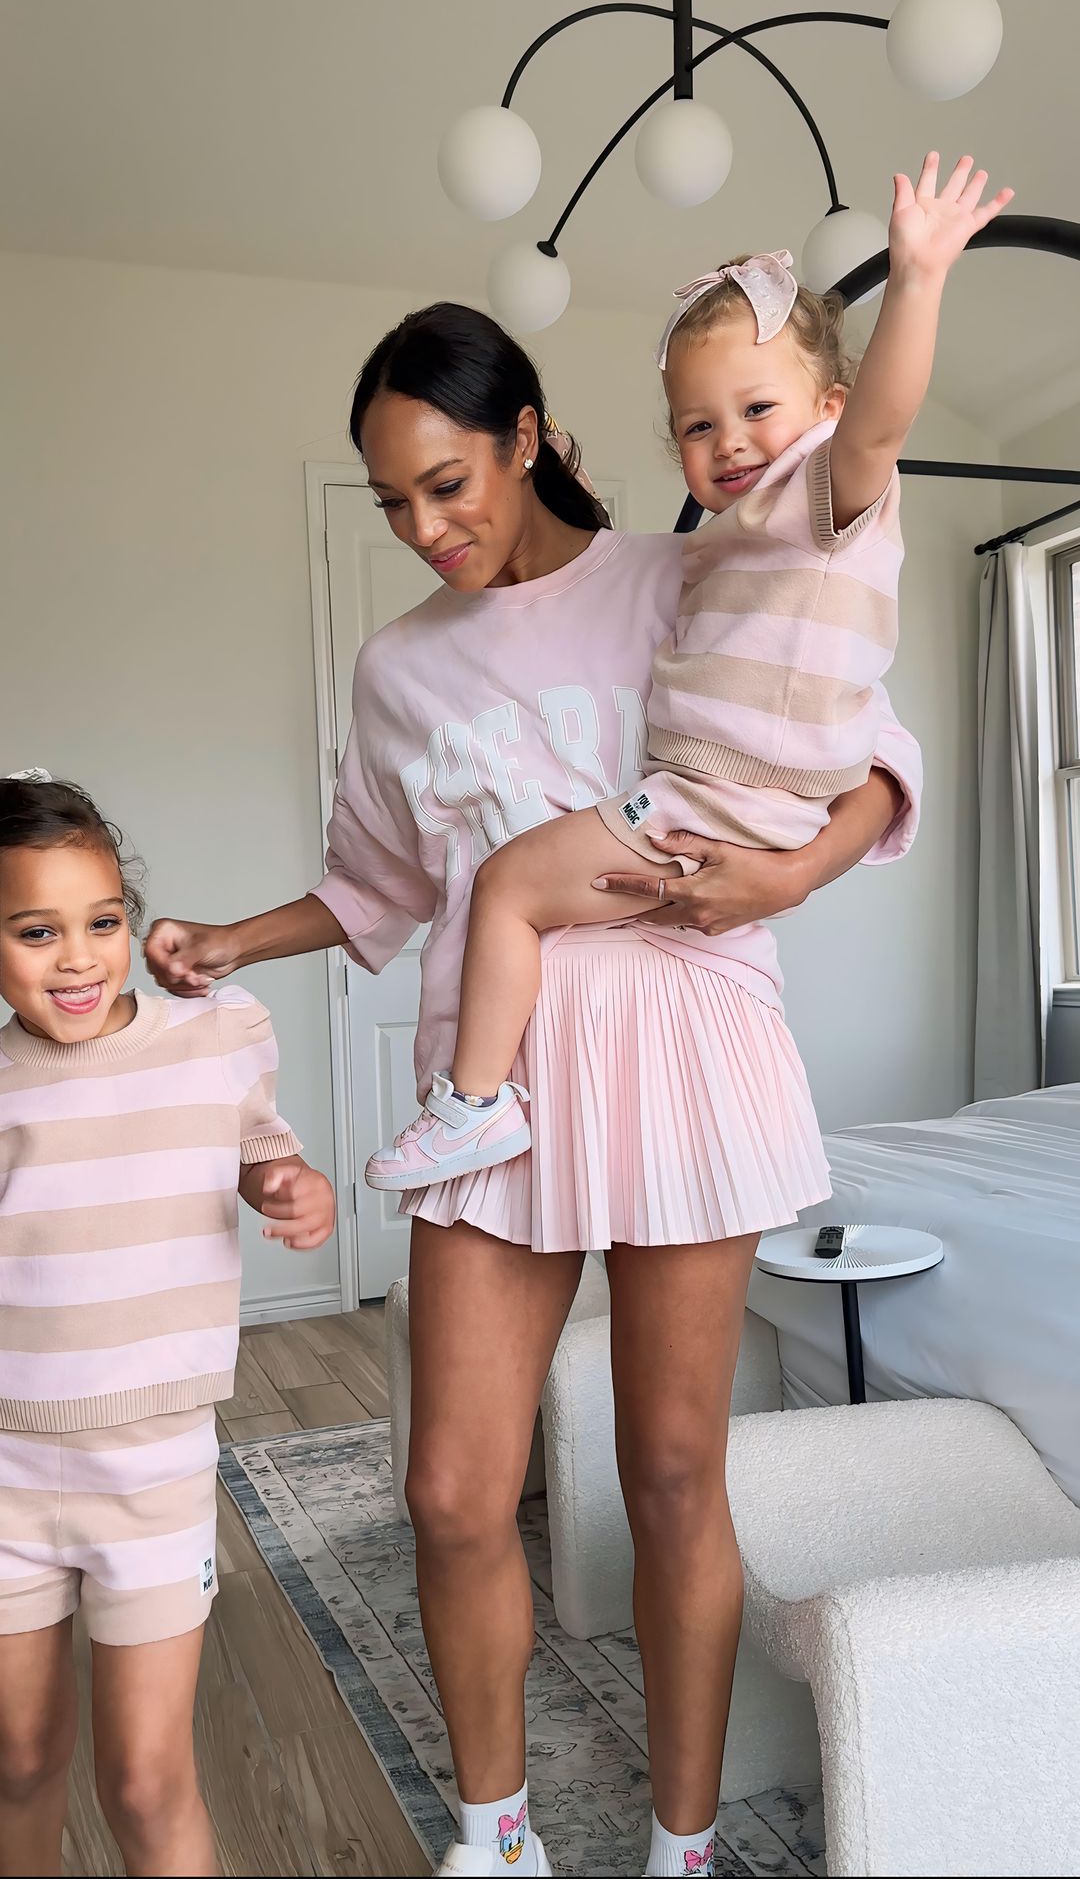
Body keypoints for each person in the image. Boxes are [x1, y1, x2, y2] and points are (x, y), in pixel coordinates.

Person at [144, 300, 921, 1878]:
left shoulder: (688, 570)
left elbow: (863, 744)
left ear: (525, 438)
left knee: (674, 1473)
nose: (427, 528)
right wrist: (230, 937)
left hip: (685, 1043)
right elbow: (375, 885)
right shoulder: (395, 668)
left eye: (448, 484)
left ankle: (681, 1842)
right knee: (449, 1489)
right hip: (489, 1087)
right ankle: (497, 1839)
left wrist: (785, 877)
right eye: (394, 502)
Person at [365, 151, 1012, 1195]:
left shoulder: (823, 505)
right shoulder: (716, 552)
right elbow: (375, 881)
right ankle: (478, 1100)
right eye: (698, 426)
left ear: (829, 409)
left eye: (759, 410)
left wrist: (920, 278)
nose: (731, 443)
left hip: (716, 805)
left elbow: (885, 422)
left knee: (510, 884)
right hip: (721, 805)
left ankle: (471, 1105)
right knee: (508, 887)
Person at [0, 772, 334, 1879]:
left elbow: (260, 1149)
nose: (77, 959)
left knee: (146, 1780)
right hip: (4, 1468)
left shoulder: (215, 1034)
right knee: (17, 1759)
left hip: (152, 1464)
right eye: (35, 931)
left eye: (102, 922)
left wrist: (289, 1185)